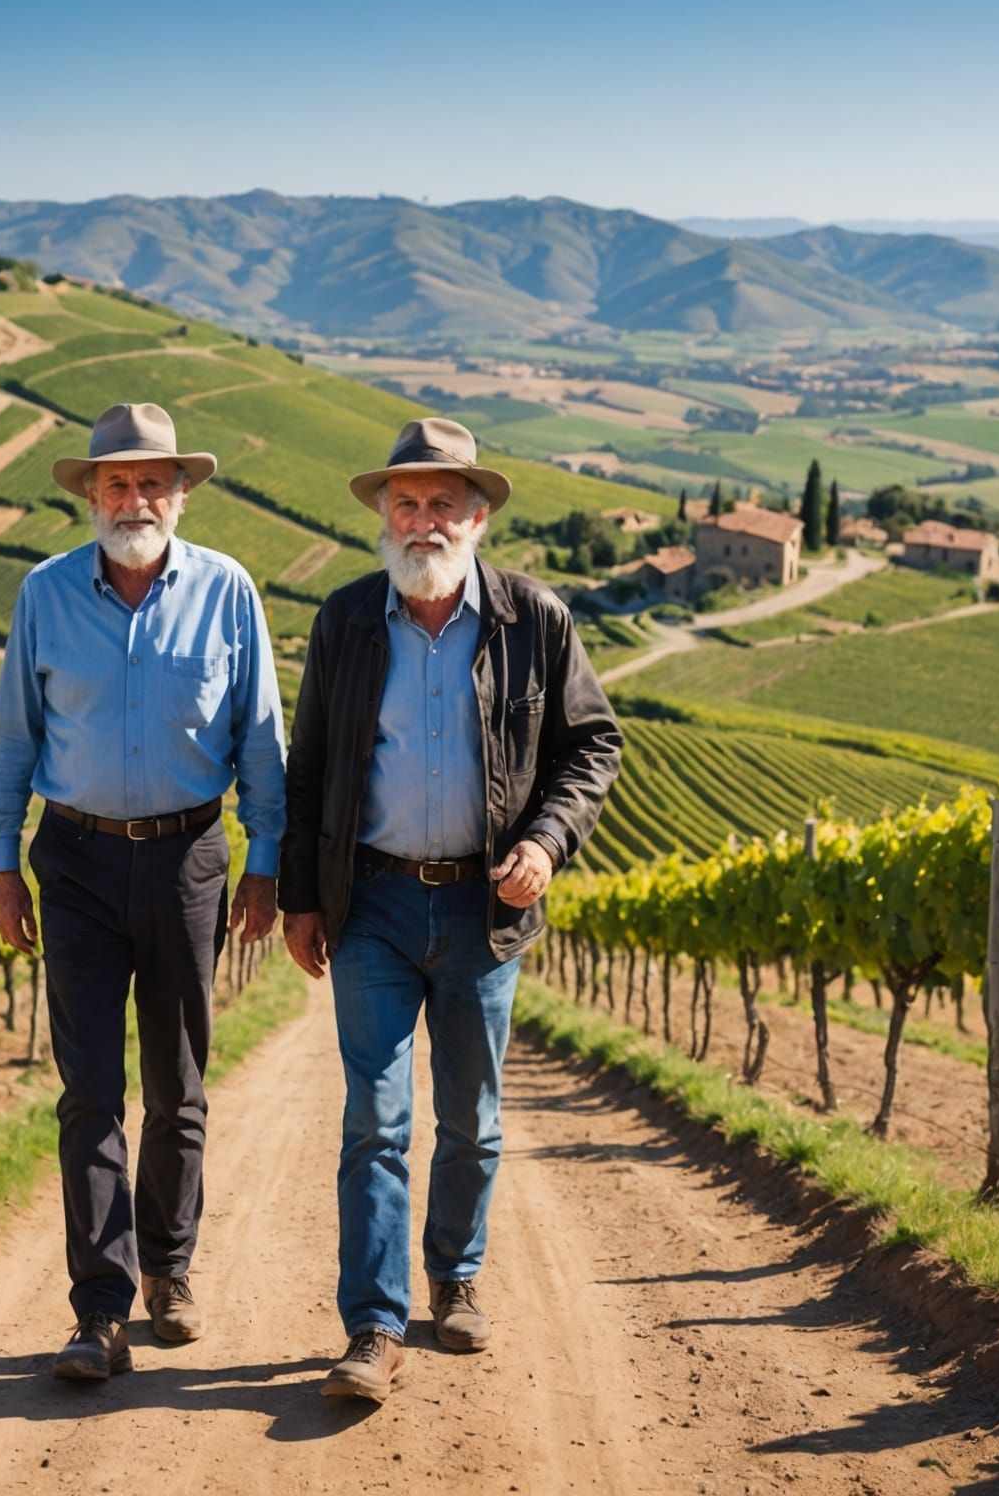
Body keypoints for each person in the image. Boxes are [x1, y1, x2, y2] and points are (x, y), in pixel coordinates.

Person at [280, 417, 622, 1403]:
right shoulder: (345, 622)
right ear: (385, 516)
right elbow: (310, 773)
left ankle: (456, 1275)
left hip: (485, 909)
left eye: (441, 503)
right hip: (374, 904)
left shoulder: (536, 620)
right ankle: (374, 1327)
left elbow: (592, 749)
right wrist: (303, 896)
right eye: (406, 503)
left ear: (477, 516)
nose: (422, 520)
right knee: (374, 1121)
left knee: (471, 1120)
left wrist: (548, 842)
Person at [0, 401, 286, 1380]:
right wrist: (0, 859)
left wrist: (265, 858)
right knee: (89, 1096)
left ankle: (170, 1276)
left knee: (179, 1089)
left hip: (192, 858)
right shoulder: (45, 595)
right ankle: (99, 1312)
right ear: (91, 495)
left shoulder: (229, 592)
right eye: (119, 482)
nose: (136, 498)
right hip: (71, 862)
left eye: (154, 482)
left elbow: (261, 740)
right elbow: (14, 737)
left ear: (181, 494)